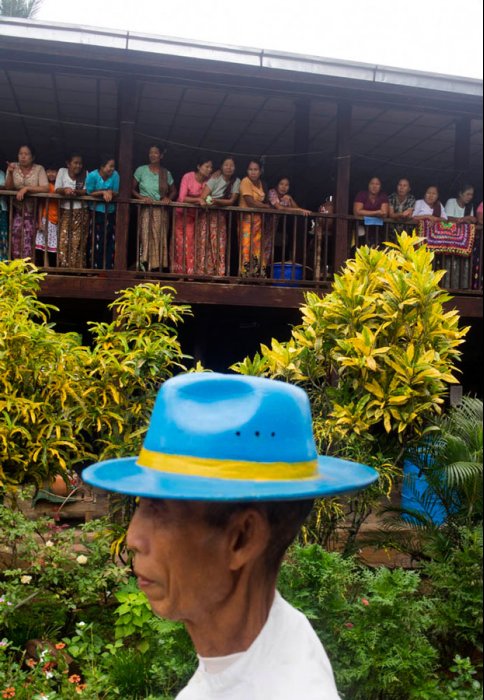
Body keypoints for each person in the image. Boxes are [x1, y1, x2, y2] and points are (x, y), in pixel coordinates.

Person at [83, 372, 378, 700]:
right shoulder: (280, 634)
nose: (133, 538)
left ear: (242, 538)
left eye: (160, 510)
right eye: (141, 506)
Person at [133, 145, 177, 272]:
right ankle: (144, 265)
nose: (153, 155)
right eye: (150, 152)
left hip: (161, 210)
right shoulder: (141, 170)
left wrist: (168, 198)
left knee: (160, 237)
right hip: (146, 209)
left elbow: (174, 190)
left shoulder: (166, 173)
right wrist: (141, 197)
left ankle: (157, 268)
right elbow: (131, 189)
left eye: (156, 153)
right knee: (146, 237)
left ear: (161, 156)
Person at [4, 145, 49, 259]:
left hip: (33, 211)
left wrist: (26, 189)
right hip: (16, 211)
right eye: (20, 153)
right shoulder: (13, 167)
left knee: (30, 240)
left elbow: (45, 188)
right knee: (15, 239)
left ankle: (28, 270)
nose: (23, 156)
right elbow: (8, 188)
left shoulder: (39, 169)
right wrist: (9, 173)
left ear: (32, 157)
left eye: (26, 154)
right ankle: (17, 269)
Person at [199, 157, 240, 275]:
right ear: (221, 167)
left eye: (231, 165)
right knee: (204, 242)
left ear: (235, 168)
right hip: (207, 214)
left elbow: (231, 201)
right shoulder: (215, 178)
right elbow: (203, 196)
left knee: (219, 243)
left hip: (220, 215)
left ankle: (219, 272)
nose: (229, 168)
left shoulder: (236, 181)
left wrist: (216, 201)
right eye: (226, 165)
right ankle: (204, 272)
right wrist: (207, 201)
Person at [172, 157, 213, 275]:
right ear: (198, 166)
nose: (209, 169)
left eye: (211, 167)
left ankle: (190, 274)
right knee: (180, 244)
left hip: (196, 217)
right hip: (181, 215)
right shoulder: (188, 177)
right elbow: (182, 197)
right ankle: (180, 273)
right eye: (206, 166)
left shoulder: (209, 181)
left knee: (192, 244)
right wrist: (199, 200)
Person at [55, 153, 89, 268]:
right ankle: (63, 268)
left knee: (78, 242)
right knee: (63, 240)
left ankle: (76, 268)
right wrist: (65, 190)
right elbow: (57, 188)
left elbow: (86, 191)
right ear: (68, 163)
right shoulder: (62, 171)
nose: (78, 166)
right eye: (75, 163)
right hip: (65, 211)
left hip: (81, 211)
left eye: (80, 163)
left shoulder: (85, 174)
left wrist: (76, 192)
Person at [86, 156, 120, 269]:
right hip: (96, 212)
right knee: (95, 240)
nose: (112, 168)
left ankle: (108, 268)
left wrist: (110, 192)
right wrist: (102, 192)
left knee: (109, 240)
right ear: (102, 167)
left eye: (113, 166)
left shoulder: (115, 175)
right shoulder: (92, 176)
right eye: (110, 166)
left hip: (110, 213)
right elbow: (89, 192)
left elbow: (115, 192)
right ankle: (95, 267)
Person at [238, 160, 272, 276]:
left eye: (255, 169)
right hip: (246, 220)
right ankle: (245, 274)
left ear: (260, 171)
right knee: (246, 247)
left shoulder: (262, 184)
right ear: (247, 171)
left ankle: (257, 274)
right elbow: (250, 201)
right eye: (250, 169)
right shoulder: (245, 181)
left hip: (258, 221)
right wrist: (265, 207)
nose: (253, 172)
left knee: (257, 248)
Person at [35, 165, 59, 267]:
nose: (51, 174)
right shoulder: (46, 187)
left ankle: (52, 269)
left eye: (54, 171)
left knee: (53, 246)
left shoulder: (59, 187)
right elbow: (41, 205)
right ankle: (42, 267)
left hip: (57, 220)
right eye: (49, 171)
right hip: (46, 218)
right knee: (42, 245)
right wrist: (40, 221)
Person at [0, 167, 8, 260]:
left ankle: (2, 261)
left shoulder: (1, 173)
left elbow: (4, 186)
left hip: (2, 209)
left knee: (2, 236)